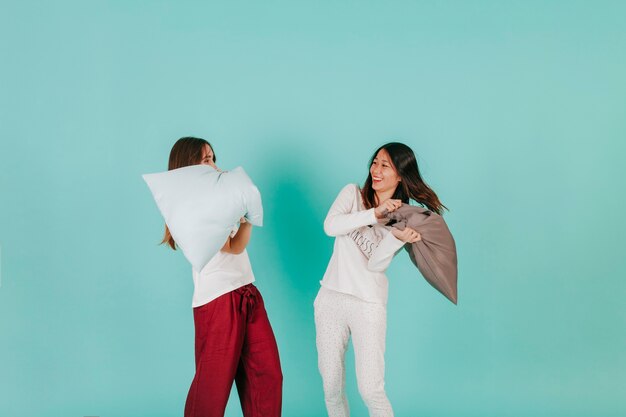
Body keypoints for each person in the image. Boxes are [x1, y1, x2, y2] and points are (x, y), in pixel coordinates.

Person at [314, 142, 447, 417]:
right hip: (330, 300)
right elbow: (331, 226)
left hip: (368, 305)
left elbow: (375, 263)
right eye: (375, 162)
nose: (376, 170)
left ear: (400, 175)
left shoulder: (403, 219)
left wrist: (395, 238)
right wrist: (374, 213)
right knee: (331, 387)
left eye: (385, 165)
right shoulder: (351, 194)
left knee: (371, 390)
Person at [160, 137, 282, 417]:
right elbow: (226, 245)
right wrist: (240, 209)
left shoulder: (217, 200)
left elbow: (235, 247)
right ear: (187, 168)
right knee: (212, 389)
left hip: (245, 290)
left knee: (267, 377)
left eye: (213, 158)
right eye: (206, 160)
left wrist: (248, 216)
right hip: (218, 301)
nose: (214, 165)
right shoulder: (188, 209)